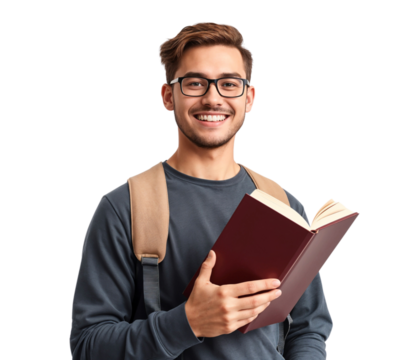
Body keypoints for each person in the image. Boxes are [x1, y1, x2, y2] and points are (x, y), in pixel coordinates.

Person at [69, 20, 333, 360]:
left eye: (229, 84)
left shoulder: (282, 202)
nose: (213, 98)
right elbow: (88, 345)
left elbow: (309, 325)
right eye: (195, 83)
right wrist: (188, 322)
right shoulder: (125, 206)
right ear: (168, 96)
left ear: (249, 98)